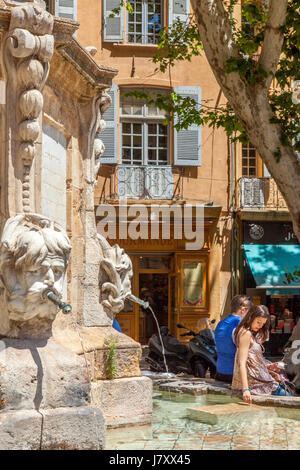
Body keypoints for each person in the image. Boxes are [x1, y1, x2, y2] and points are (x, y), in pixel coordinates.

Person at [231, 305, 290, 403]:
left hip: (259, 381)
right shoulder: (246, 333)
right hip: (257, 384)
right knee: (290, 400)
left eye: (263, 324)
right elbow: (241, 363)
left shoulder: (245, 331)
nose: (260, 326)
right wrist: (245, 390)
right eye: (258, 322)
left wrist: (268, 366)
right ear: (251, 316)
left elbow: (251, 360)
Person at [214, 295, 253, 383]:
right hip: (235, 374)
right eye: (249, 312)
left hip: (220, 371)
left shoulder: (221, 323)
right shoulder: (240, 324)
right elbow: (249, 348)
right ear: (243, 310)